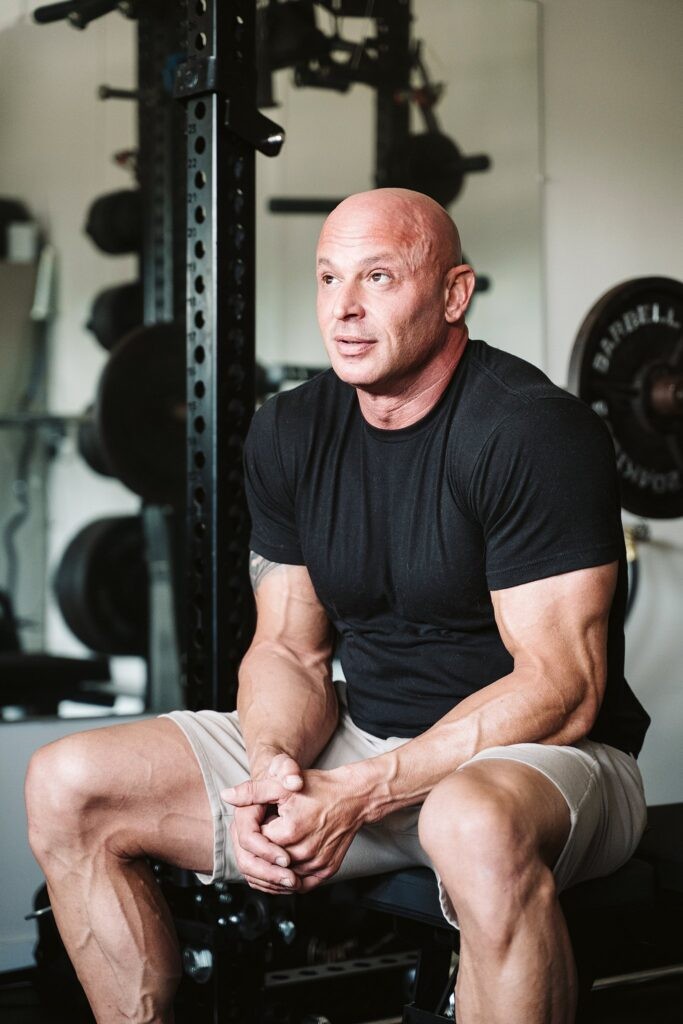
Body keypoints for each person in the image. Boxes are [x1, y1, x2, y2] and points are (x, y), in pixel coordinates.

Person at [25, 188, 649, 1024]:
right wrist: (276, 766)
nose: (344, 310)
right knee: (67, 782)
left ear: (453, 294)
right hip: (365, 742)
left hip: (542, 763)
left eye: (378, 277)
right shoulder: (290, 431)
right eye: (327, 278)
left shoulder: (530, 430)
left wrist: (359, 791)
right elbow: (289, 649)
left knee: (468, 821)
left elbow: (563, 690)